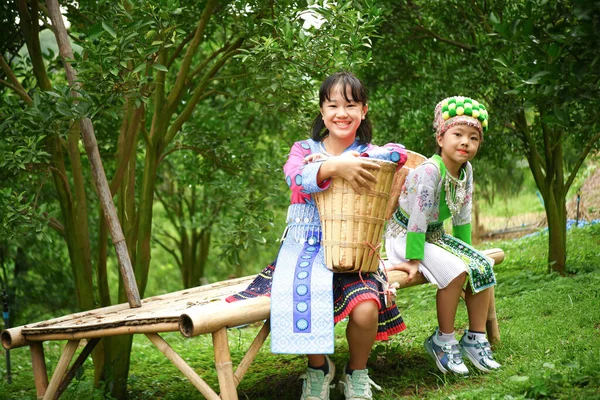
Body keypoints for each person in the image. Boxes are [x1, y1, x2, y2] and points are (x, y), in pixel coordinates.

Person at [227, 71, 407, 400]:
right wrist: (335, 167)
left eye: (351, 105)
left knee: (366, 309)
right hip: (305, 246)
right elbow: (295, 179)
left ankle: (357, 372)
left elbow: (400, 156)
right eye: (333, 105)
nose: (342, 113)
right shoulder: (304, 149)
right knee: (302, 295)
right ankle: (319, 367)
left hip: (353, 247)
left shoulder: (369, 151)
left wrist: (360, 158)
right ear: (322, 111)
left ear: (364, 110)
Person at [384, 96, 501, 376]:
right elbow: (418, 217)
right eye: (458, 134)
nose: (465, 142)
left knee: (481, 264)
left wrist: (468, 250)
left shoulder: (466, 171)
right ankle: (443, 340)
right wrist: (413, 259)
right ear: (440, 138)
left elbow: (463, 214)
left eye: (473, 138)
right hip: (406, 237)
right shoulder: (430, 171)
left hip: (434, 236)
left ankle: (475, 338)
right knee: (456, 269)